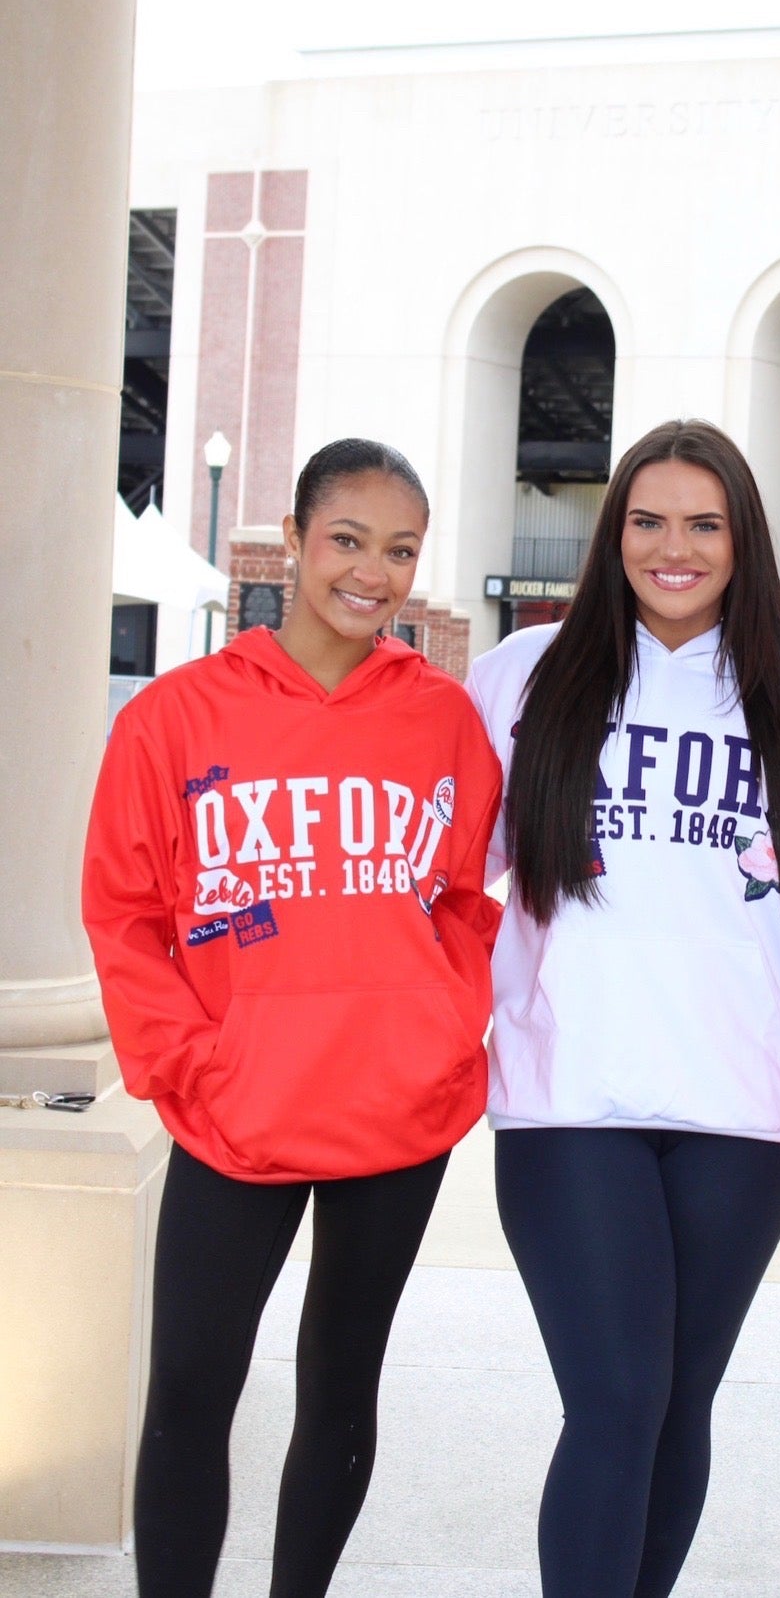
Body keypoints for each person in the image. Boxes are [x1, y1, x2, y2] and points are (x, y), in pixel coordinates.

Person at [82, 438, 502, 1598]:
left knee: (341, 1385)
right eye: (349, 541)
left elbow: (466, 904)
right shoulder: (173, 719)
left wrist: (436, 1033)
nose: (372, 573)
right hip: (237, 1115)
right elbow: (123, 915)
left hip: (397, 1115)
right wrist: (191, 1064)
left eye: (401, 550)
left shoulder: (445, 724)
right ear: (296, 541)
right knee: (191, 1392)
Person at [467, 418, 780, 1598]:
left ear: (743, 543)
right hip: (570, 1096)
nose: (672, 548)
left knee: (678, 1404)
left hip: (742, 1112)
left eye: (703, 524)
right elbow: (432, 876)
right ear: (612, 532)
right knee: (617, 1395)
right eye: (647, 521)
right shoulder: (521, 676)